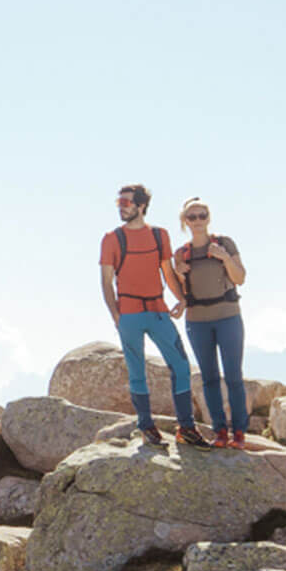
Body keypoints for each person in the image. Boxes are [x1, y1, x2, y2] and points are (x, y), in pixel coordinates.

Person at [99, 185, 209, 447]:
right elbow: (105, 281)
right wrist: (117, 316)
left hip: (159, 311)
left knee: (181, 367)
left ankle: (186, 428)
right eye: (119, 203)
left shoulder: (160, 236)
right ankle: (146, 426)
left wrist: (181, 298)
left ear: (141, 206)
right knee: (137, 373)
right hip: (129, 315)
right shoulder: (112, 239)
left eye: (126, 202)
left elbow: (167, 272)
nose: (121, 207)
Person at [173, 197, 248, 448]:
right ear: (185, 221)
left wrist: (225, 257)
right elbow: (183, 292)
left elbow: (240, 278)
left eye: (202, 215)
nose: (197, 221)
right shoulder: (180, 254)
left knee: (234, 376)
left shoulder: (224, 243)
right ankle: (220, 432)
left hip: (228, 317)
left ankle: (239, 432)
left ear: (208, 218)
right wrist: (179, 276)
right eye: (191, 217)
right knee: (209, 378)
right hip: (198, 321)